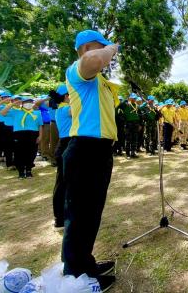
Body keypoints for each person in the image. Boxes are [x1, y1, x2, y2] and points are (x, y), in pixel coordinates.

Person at [62, 30, 119, 290]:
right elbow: (91, 61)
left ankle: (86, 264)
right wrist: (111, 49)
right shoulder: (78, 71)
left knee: (91, 214)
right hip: (84, 150)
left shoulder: (99, 81)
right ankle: (76, 278)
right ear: (85, 48)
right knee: (79, 216)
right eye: (101, 46)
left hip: (100, 151)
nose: (107, 52)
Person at [0, 95, 43, 179]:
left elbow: (40, 125)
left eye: (30, 102)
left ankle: (28, 170)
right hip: (19, 134)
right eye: (26, 102)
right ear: (22, 104)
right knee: (19, 152)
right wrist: (12, 104)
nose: (29, 104)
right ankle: (21, 171)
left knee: (31, 152)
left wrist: (40, 136)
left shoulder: (37, 113)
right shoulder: (16, 112)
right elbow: (2, 113)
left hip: (33, 134)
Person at [53, 84, 72, 229]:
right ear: (66, 96)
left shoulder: (61, 109)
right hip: (66, 145)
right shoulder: (65, 110)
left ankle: (63, 216)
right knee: (63, 184)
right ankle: (60, 217)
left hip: (67, 144)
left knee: (65, 183)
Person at [119, 93, 142, 158]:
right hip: (128, 124)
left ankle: (133, 153)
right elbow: (120, 104)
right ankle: (127, 154)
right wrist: (127, 99)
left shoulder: (137, 106)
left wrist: (140, 124)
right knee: (128, 139)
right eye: (133, 98)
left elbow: (139, 116)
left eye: (135, 98)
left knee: (134, 139)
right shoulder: (126, 105)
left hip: (136, 124)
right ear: (130, 98)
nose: (134, 99)